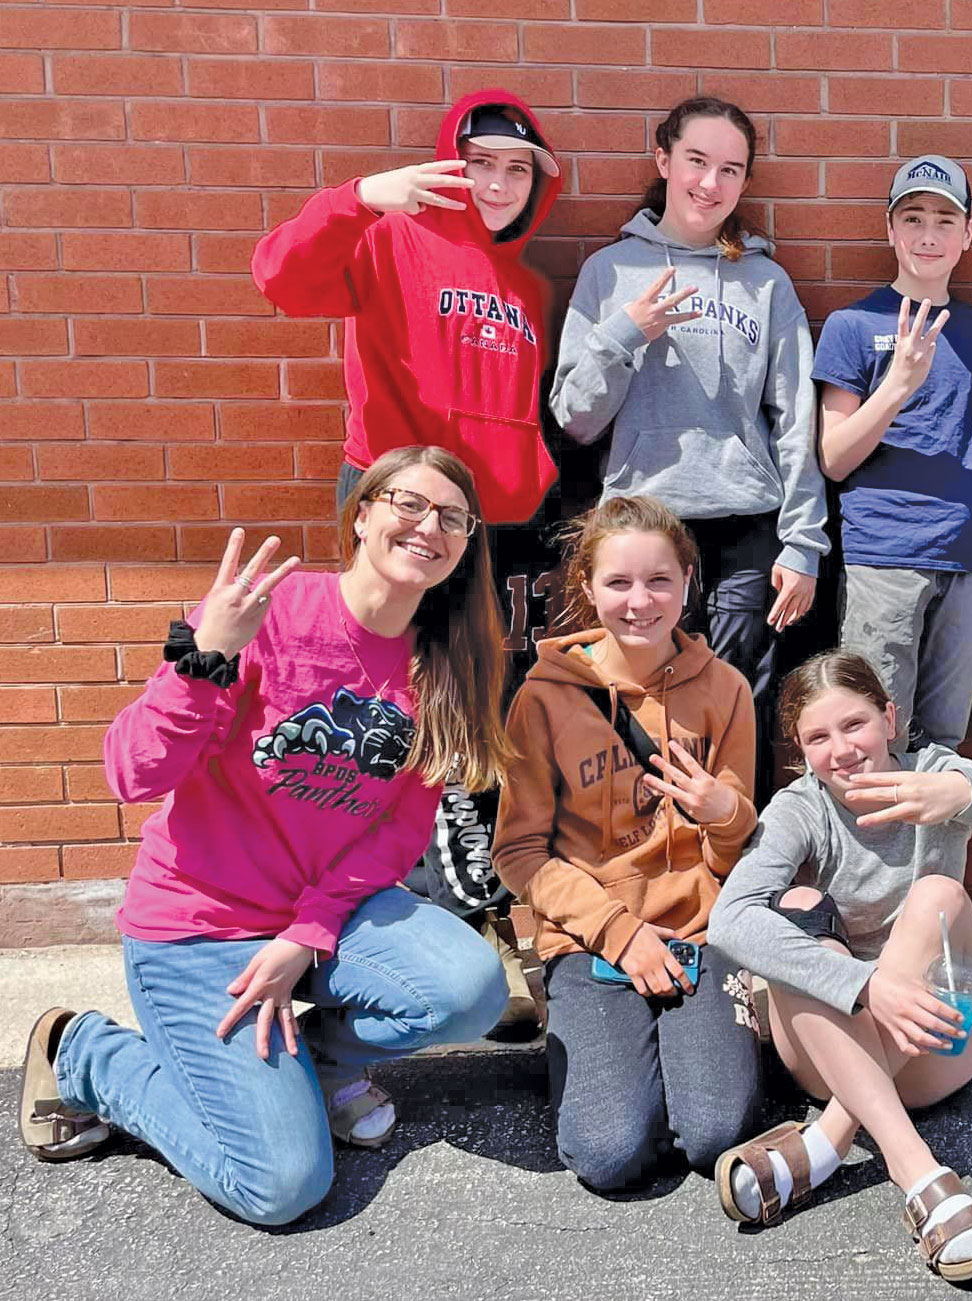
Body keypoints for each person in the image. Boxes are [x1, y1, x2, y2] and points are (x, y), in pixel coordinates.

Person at [18, 448, 513, 1225]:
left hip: (322, 919)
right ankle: (84, 1053)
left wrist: (307, 934)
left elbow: (397, 832)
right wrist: (204, 657)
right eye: (409, 503)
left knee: (469, 988)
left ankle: (319, 1064)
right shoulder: (267, 615)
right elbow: (130, 773)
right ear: (362, 514)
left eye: (453, 517)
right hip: (198, 930)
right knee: (281, 1185)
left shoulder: (441, 663)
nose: (429, 526)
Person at [253, 89, 565, 1036]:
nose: (500, 184)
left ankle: (463, 911)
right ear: (449, 167)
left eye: (519, 170)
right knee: (382, 706)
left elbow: (516, 416)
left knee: (469, 711)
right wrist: (357, 198)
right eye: (483, 164)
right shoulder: (390, 237)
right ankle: (372, 918)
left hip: (483, 528)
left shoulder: (530, 290)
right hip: (398, 504)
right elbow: (279, 279)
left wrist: (526, 492)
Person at [708, 651, 972, 1283]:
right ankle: (917, 1172)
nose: (841, 750)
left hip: (937, 1045)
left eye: (855, 724)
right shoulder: (800, 807)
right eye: (818, 737)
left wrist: (967, 793)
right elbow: (729, 920)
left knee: (938, 894)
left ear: (890, 720)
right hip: (828, 1052)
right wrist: (867, 984)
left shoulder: (937, 774)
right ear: (799, 749)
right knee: (793, 912)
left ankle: (827, 1141)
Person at [550, 96, 827, 796]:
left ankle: (733, 848)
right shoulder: (609, 272)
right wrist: (624, 333)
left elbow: (796, 420)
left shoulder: (764, 281)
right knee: (638, 696)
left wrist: (803, 542)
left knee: (738, 694)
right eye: (697, 161)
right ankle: (643, 845)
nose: (710, 183)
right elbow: (575, 420)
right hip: (641, 525)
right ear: (663, 160)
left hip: (744, 526)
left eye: (730, 169)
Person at [494, 495, 763, 1191]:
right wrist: (619, 933)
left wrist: (725, 813)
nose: (639, 602)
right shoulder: (545, 697)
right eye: (618, 582)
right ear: (587, 588)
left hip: (700, 930)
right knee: (609, 1153)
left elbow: (734, 857)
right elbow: (518, 852)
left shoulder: (726, 689)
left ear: (688, 582)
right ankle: (612, 1054)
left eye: (659, 581)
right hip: (592, 937)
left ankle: (681, 1057)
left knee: (714, 1135)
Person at [812, 155, 972, 752]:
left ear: (968, 233)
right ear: (890, 229)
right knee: (874, 739)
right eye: (913, 218)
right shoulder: (852, 324)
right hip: (884, 557)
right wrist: (896, 385)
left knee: (944, 744)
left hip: (966, 561)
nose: (927, 235)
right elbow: (834, 456)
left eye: (945, 220)